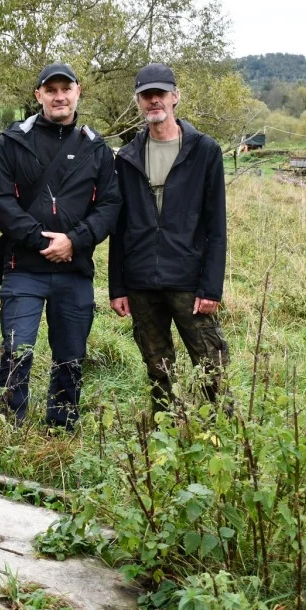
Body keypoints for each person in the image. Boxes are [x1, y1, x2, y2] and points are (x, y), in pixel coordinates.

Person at [0, 63, 120, 431]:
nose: (59, 96)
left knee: (71, 356)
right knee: (17, 350)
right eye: (51, 90)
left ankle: (60, 428)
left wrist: (74, 242)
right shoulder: (13, 141)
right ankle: (7, 425)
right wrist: (39, 240)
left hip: (74, 271)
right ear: (38, 96)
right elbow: (0, 199)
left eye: (66, 89)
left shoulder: (96, 148)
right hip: (23, 268)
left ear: (78, 92)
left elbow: (110, 205)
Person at [108, 62, 230, 414]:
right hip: (141, 280)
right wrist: (118, 286)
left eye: (160, 94)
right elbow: (120, 226)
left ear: (175, 97)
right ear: (138, 102)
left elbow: (215, 225)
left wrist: (211, 287)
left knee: (210, 363)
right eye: (146, 96)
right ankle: (164, 435)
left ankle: (216, 432)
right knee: (157, 366)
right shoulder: (127, 157)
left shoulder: (204, 151)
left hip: (189, 280)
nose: (154, 101)